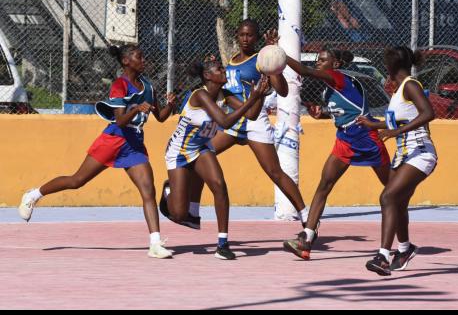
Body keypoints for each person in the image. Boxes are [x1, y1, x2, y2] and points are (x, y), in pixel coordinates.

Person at [18, 44, 176, 259]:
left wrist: (169, 105)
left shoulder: (148, 86)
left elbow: (161, 117)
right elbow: (120, 121)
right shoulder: (119, 85)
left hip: (135, 144)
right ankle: (34, 195)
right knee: (77, 181)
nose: (144, 60)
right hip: (113, 139)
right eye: (139, 57)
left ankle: (155, 244)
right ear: (126, 61)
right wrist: (136, 109)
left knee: (148, 190)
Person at [160, 19, 312, 237]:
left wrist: (273, 61)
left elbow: (283, 91)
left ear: (257, 37)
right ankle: (190, 210)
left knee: (274, 171)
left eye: (250, 35)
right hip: (232, 120)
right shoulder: (230, 61)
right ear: (236, 36)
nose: (245, 39)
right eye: (242, 34)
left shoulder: (261, 58)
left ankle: (305, 214)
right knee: (197, 156)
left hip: (253, 120)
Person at [265, 30, 390, 260]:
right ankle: (306, 239)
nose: (319, 62)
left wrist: (278, 52)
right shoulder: (330, 87)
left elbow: (303, 70)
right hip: (344, 138)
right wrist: (321, 113)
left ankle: (402, 242)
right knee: (324, 185)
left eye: (323, 60)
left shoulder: (337, 76)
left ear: (336, 63)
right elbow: (344, 110)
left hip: (365, 136)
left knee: (393, 190)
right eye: (319, 60)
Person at [161, 55, 269, 260]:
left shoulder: (225, 94)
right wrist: (252, 98)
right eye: (219, 69)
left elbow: (252, 115)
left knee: (220, 185)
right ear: (207, 76)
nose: (224, 71)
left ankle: (222, 244)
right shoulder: (200, 95)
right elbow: (225, 121)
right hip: (179, 151)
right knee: (179, 215)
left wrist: (260, 94)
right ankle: (169, 191)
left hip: (201, 147)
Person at [358, 46, 437, 276]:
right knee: (398, 203)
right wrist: (375, 125)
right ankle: (404, 249)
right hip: (404, 154)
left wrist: (394, 133)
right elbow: (398, 121)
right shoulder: (399, 91)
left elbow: (428, 113)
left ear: (390, 67)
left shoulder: (411, 85)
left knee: (388, 197)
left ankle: (383, 255)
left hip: (421, 152)